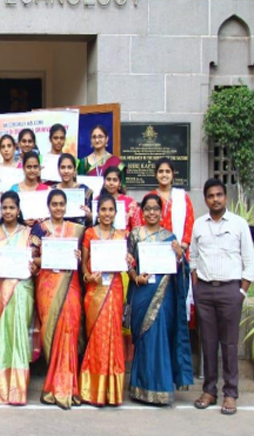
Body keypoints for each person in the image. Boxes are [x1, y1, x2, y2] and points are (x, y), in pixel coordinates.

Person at [190, 178, 253, 415]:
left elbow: (249, 260)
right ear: (205, 199)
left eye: (219, 195)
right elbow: (193, 258)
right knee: (208, 343)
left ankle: (230, 393)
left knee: (229, 344)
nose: (215, 199)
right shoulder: (199, 225)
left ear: (225, 197)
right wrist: (197, 286)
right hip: (205, 290)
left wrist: (241, 291)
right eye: (210, 196)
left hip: (230, 291)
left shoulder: (239, 224)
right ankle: (209, 391)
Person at [127, 194, 193, 405]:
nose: (152, 213)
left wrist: (179, 256)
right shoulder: (135, 234)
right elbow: (128, 263)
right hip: (142, 291)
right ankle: (140, 388)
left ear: (161, 212)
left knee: (161, 338)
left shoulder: (170, 237)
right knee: (144, 338)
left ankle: (161, 389)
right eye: (148, 209)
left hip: (164, 295)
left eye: (155, 209)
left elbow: (180, 269)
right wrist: (135, 277)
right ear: (142, 212)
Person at [31, 189, 85, 409]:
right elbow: (32, 258)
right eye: (54, 204)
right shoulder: (39, 228)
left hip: (70, 284)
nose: (58, 208)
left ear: (66, 206)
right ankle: (54, 385)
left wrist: (79, 257)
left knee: (69, 330)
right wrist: (48, 257)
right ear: (48, 206)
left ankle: (68, 386)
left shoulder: (77, 229)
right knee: (51, 331)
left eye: (62, 204)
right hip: (47, 286)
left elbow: (86, 261)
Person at [80, 193, 131, 407]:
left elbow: (127, 264)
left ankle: (111, 391)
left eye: (111, 210)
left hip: (115, 288)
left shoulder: (121, 236)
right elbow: (83, 263)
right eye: (103, 210)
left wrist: (129, 260)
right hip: (95, 288)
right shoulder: (89, 233)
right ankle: (92, 390)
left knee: (112, 335)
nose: (107, 214)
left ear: (116, 213)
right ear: (97, 211)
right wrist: (88, 277)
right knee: (97, 335)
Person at [0, 191, 37, 405]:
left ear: (18, 210)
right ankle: (0, 388)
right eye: (4, 208)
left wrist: (34, 267)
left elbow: (36, 260)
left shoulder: (29, 233)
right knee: (2, 336)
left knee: (19, 334)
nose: (8, 211)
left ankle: (18, 390)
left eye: (12, 208)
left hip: (22, 290)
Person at [142, 158, 195, 255]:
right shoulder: (149, 197)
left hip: (178, 249)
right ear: (156, 174)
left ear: (172, 174)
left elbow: (189, 223)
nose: (164, 175)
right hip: (154, 250)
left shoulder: (182, 196)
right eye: (161, 171)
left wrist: (182, 248)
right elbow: (143, 223)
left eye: (167, 171)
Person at [54, 153, 93, 227]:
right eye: (63, 167)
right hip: (57, 231)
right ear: (58, 170)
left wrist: (90, 216)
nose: (66, 171)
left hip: (80, 231)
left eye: (69, 167)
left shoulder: (85, 191)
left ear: (75, 170)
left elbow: (93, 221)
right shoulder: (52, 191)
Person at [101, 166, 142, 232]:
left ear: (120, 183)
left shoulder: (130, 202)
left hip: (125, 237)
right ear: (104, 182)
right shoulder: (97, 200)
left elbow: (137, 228)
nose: (111, 183)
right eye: (108, 179)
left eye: (115, 180)